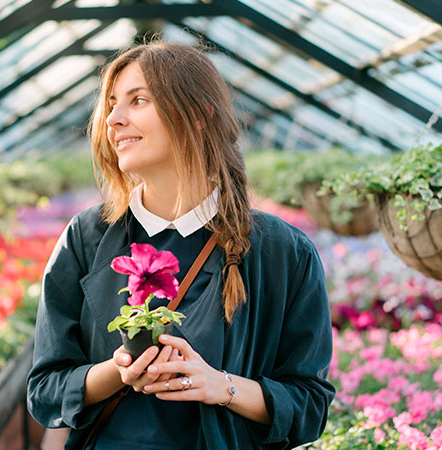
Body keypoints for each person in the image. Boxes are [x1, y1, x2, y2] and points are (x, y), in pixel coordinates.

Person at [27, 40, 334, 449]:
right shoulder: (86, 238)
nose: (114, 119)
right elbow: (44, 390)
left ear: (199, 114)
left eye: (138, 100)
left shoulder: (283, 252)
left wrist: (219, 385)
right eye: (113, 104)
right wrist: (117, 371)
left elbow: (309, 406)